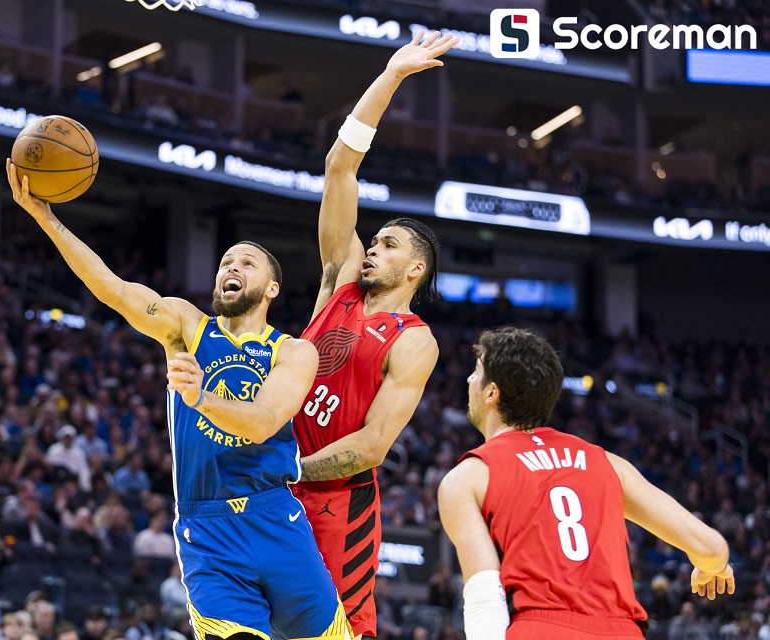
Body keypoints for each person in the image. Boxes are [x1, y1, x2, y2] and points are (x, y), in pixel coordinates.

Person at [7, 162, 349, 640]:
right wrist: (46, 217)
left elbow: (265, 420)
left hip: (274, 517)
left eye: (247, 262)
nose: (232, 266)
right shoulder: (188, 326)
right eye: (227, 261)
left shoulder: (292, 351)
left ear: (272, 288)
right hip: (206, 529)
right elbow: (113, 289)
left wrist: (200, 396)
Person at [290, 30, 456, 638]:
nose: (373, 249)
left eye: (388, 245)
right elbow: (340, 166)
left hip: (337, 500)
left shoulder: (415, 339)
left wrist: (286, 467)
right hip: (277, 479)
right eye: (374, 239)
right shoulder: (338, 281)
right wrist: (389, 76)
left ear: (416, 269)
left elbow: (371, 446)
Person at [437, 327, 735, 639]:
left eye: (476, 372)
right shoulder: (607, 462)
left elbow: (485, 601)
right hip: (622, 631)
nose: (469, 380)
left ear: (491, 392)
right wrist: (711, 567)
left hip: (541, 627)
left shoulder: (468, 476)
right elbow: (711, 546)